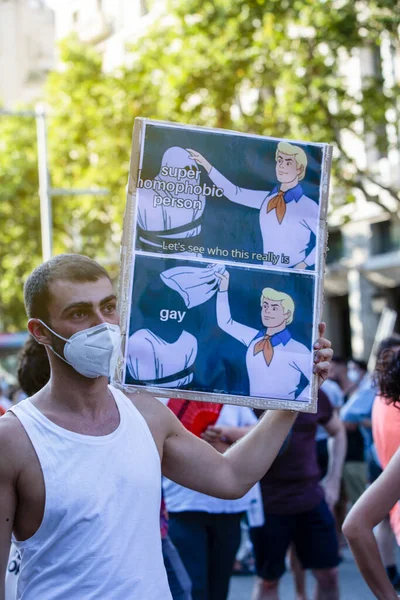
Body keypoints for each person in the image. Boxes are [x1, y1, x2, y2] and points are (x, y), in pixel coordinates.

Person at [0, 253, 333, 600]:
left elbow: (230, 477)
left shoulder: (145, 412)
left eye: (109, 307)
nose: (102, 324)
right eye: (79, 314)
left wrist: (293, 397)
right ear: (40, 331)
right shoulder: (13, 439)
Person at [248, 389, 346, 600]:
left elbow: (338, 431)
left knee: (329, 574)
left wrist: (333, 480)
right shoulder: (251, 389)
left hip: (310, 498)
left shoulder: (312, 390)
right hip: (267, 502)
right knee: (268, 580)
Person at [162, 402, 263, 600]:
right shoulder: (165, 398)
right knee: (193, 586)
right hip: (183, 505)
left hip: (228, 507)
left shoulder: (231, 398)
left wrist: (226, 434)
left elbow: (258, 434)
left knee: (219, 587)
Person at [188, 141, 318, 269]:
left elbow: (322, 242)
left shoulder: (308, 205)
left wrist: (304, 264)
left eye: (288, 162)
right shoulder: (267, 199)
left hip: (295, 277)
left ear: (299, 169)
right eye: (279, 161)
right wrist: (206, 165)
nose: (282, 166)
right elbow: (235, 193)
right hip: (267, 271)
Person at [216, 272, 311, 401]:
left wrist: (296, 405)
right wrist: (223, 289)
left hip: (282, 416)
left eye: (274, 308)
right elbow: (225, 322)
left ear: (287, 314)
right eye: (265, 306)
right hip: (252, 411)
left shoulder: (299, 349)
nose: (267, 311)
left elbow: (315, 382)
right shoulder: (253, 338)